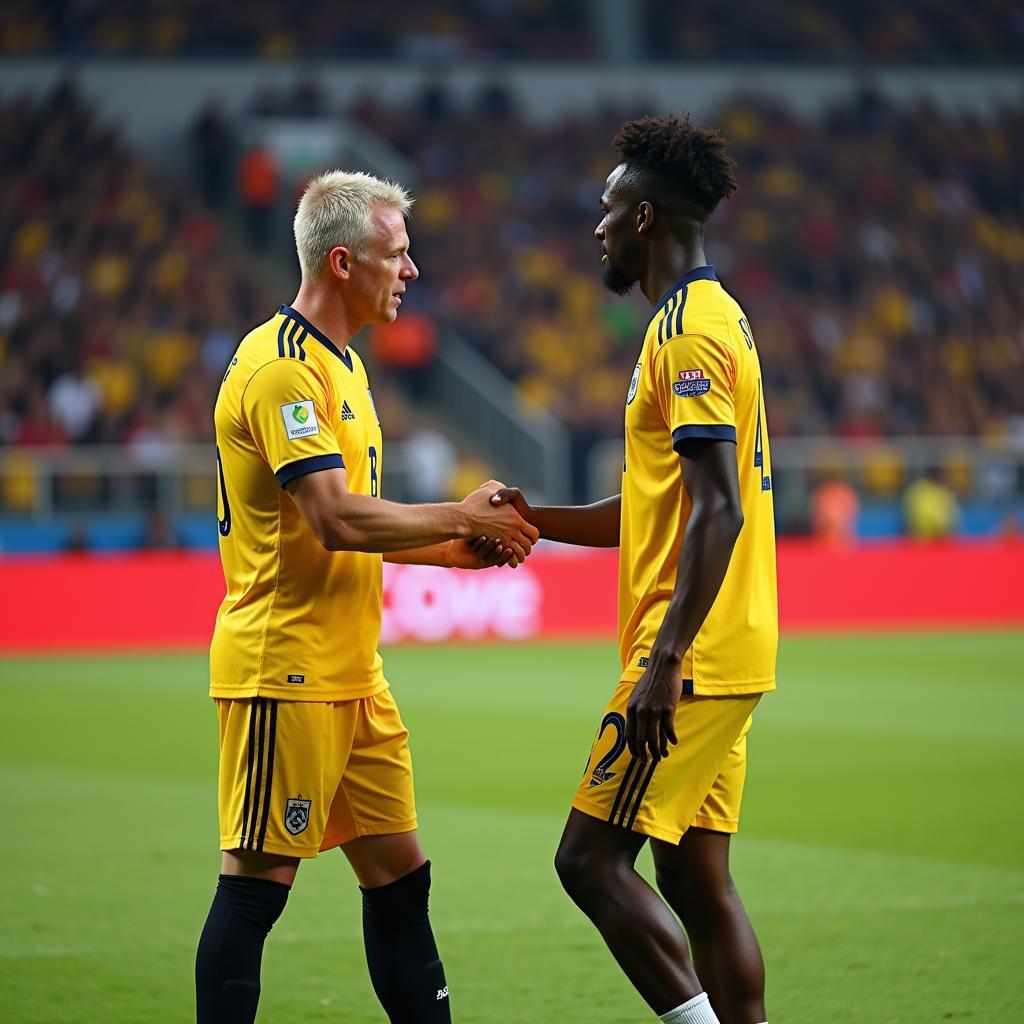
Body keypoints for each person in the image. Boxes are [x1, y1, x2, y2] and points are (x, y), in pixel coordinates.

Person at [196, 169, 539, 1024]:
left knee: (400, 879)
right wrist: (455, 509)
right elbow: (335, 519)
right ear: (343, 262)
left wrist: (455, 550)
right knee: (256, 891)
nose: (411, 270)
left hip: (354, 672)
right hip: (287, 669)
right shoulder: (279, 371)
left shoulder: (342, 367)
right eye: (398, 254)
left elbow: (363, 527)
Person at [493, 116, 777, 1024]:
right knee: (696, 881)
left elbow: (721, 509)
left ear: (646, 217)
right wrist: (531, 518)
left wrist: (666, 661)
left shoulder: (690, 330)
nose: (597, 226)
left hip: (692, 653)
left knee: (587, 861)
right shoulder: (701, 320)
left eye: (608, 208)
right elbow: (657, 512)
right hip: (726, 647)